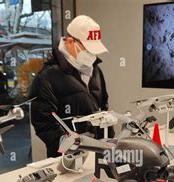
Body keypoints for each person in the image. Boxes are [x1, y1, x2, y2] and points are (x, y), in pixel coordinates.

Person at [30, 15, 113, 158]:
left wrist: (109, 139)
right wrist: (70, 145)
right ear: (70, 41)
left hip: (98, 153)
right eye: (87, 49)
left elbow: (103, 106)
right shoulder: (46, 77)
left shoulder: (95, 70)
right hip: (67, 159)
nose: (92, 55)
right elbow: (43, 123)